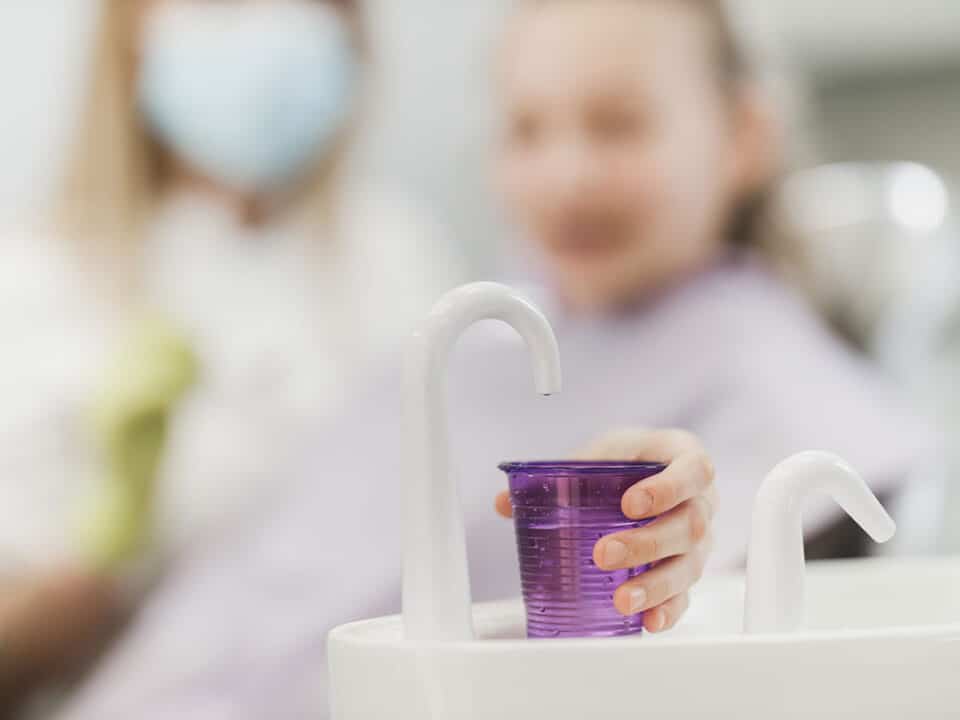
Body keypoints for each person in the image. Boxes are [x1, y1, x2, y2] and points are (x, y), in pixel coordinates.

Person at [50, 0, 930, 716]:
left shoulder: (774, 385)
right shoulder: (472, 345)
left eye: (617, 125)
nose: (566, 174)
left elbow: (738, 601)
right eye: (526, 129)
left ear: (742, 136)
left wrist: (672, 543)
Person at [0, 0, 458, 708]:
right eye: (221, 5)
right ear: (128, 27)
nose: (268, 25)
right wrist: (108, 543)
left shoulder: (398, 258)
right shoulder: (36, 281)